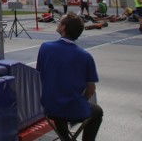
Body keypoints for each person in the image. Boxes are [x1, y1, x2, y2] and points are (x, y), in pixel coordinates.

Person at [36, 13, 104, 141]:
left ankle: (65, 138)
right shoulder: (85, 57)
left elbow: (42, 73)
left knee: (59, 103)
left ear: (63, 28)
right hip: (73, 110)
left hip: (49, 107)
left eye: (59, 21)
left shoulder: (45, 48)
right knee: (97, 112)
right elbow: (91, 89)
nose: (57, 22)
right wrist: (82, 100)